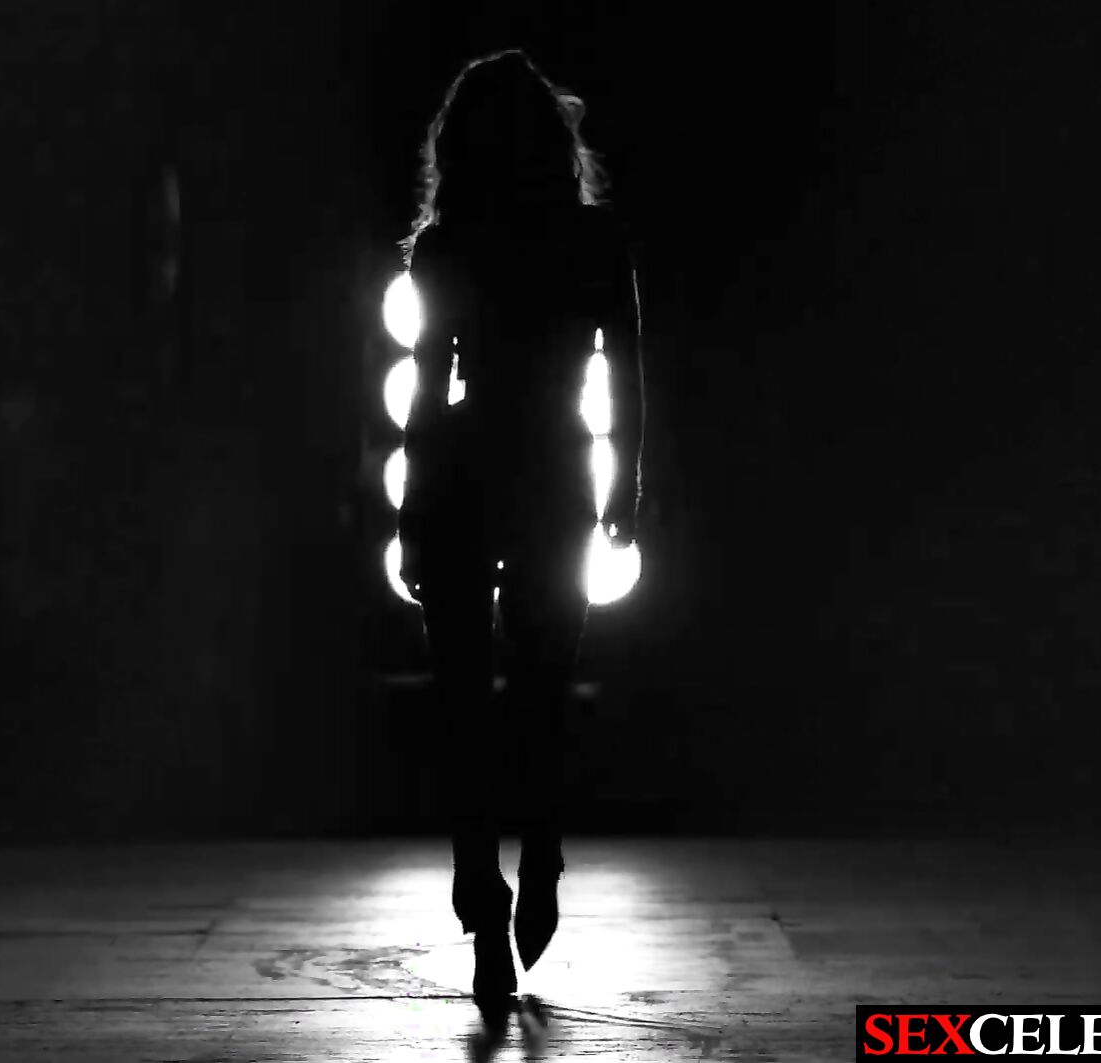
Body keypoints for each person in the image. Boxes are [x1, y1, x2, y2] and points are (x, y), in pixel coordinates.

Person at [396, 48, 644, 1011]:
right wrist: (623, 493)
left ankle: (483, 892)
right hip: (551, 470)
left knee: (464, 703)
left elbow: (427, 392)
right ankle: (538, 857)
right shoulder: (594, 241)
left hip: (464, 472)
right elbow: (624, 378)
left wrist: (413, 510)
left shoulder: (447, 246)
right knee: (541, 693)